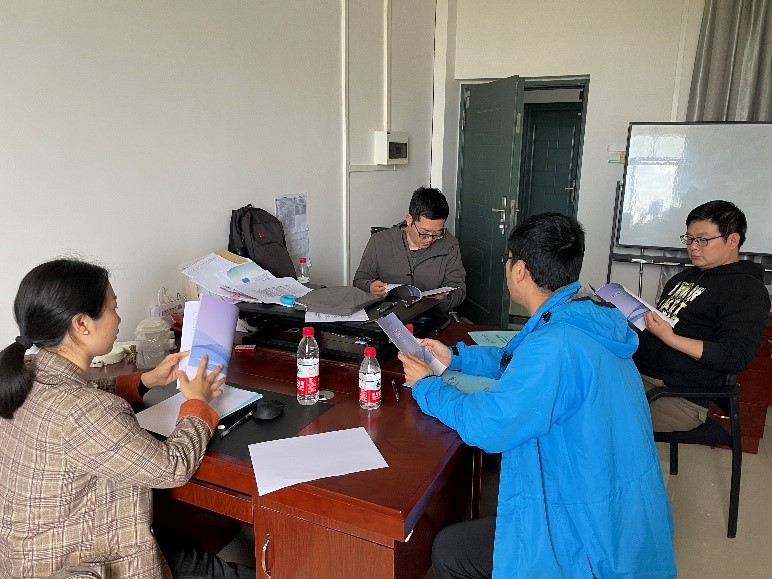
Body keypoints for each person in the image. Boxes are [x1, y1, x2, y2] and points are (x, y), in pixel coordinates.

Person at [399, 214, 676, 579]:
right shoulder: (580, 314)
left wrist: (427, 387)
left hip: (589, 534)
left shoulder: (555, 344)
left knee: (449, 549)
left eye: (508, 260)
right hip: (623, 515)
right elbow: (518, 359)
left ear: (520, 271)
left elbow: (490, 426)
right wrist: (456, 358)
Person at [0, 259, 254, 579]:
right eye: (113, 307)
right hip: (79, 563)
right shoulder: (85, 411)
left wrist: (145, 380)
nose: (118, 318)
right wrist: (198, 402)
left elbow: (79, 392)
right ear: (82, 324)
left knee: (184, 543)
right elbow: (172, 467)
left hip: (30, 552)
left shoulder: (23, 372)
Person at [634, 200, 770, 432]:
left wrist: (670, 338)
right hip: (640, 375)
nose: (693, 247)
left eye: (703, 240)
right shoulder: (682, 279)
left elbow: (736, 355)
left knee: (589, 413)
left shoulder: (747, 290)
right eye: (689, 239)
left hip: (677, 396)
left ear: (733, 240)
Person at [352, 186, 466, 313]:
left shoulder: (449, 245)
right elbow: (359, 281)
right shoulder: (380, 241)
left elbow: (459, 290)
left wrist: (442, 300)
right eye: (424, 233)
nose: (429, 239)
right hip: (389, 314)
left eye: (437, 233)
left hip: (432, 315)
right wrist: (370, 287)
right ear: (409, 219)